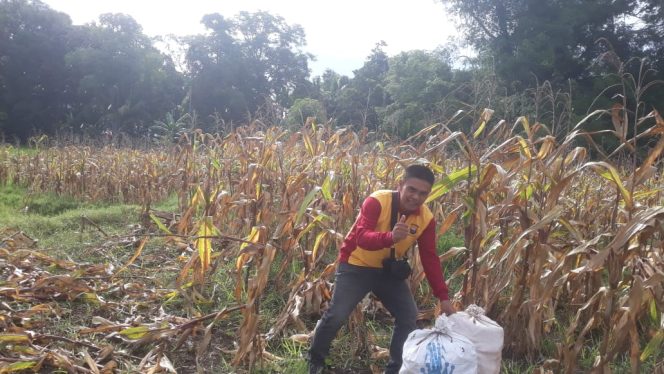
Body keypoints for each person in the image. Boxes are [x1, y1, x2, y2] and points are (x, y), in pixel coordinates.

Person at [308, 164, 455, 374]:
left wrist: (444, 297)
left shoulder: (426, 219)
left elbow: (430, 258)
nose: (415, 197)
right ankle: (316, 361)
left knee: (409, 317)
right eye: (411, 189)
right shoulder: (377, 201)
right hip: (356, 265)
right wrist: (390, 237)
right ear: (400, 185)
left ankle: (394, 369)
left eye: (422, 193)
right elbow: (361, 237)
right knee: (337, 314)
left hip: (387, 272)